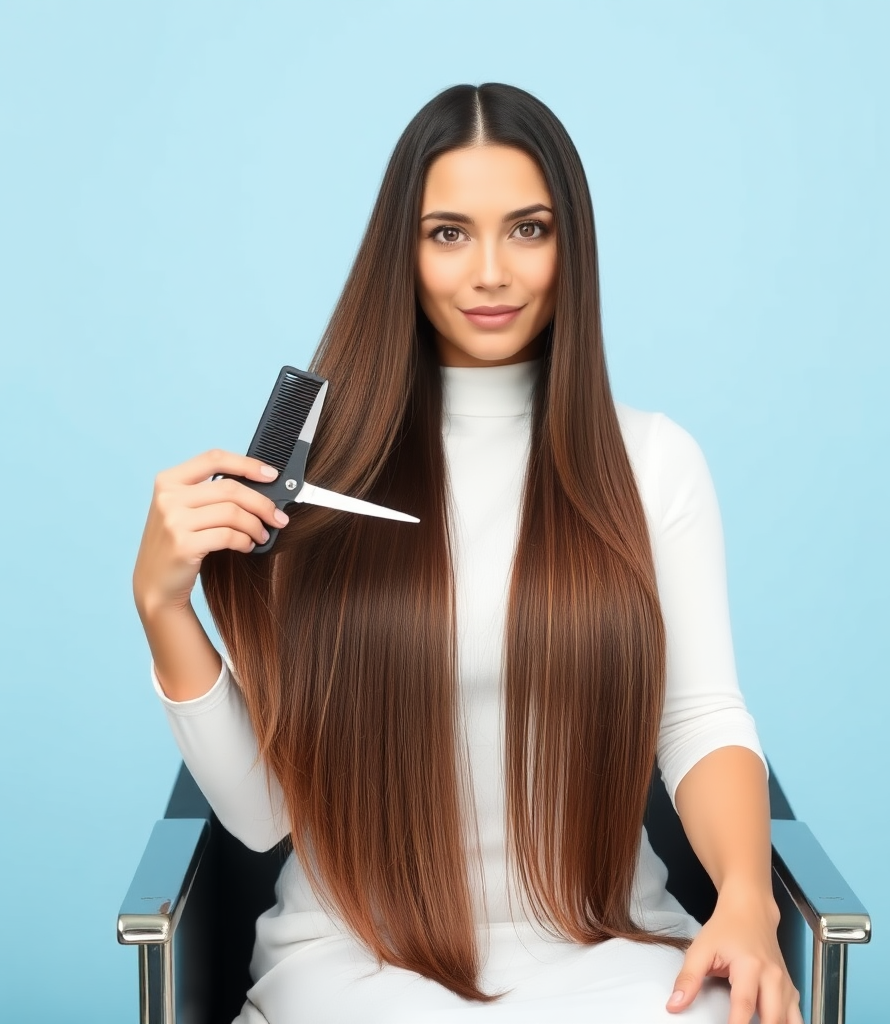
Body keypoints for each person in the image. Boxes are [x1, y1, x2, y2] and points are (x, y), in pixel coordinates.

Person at [133, 83, 801, 1024]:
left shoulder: (653, 461)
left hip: (605, 942)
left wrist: (747, 896)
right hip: (350, 959)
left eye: (527, 229)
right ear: (399, 253)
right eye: (448, 233)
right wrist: (164, 610)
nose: (491, 271)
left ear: (572, 246)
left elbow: (698, 717)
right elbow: (260, 815)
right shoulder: (315, 478)